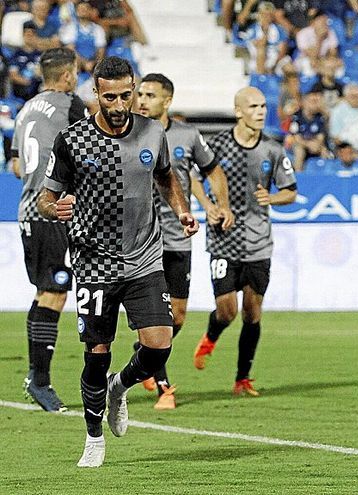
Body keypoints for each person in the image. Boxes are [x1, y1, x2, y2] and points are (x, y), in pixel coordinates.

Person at [37, 56, 198, 468]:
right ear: (97, 93)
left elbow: (166, 176)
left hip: (144, 257)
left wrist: (180, 210)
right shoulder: (73, 141)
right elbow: (46, 197)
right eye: (111, 97)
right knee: (98, 351)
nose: (121, 103)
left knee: (159, 344)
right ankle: (93, 439)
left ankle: (119, 387)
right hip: (94, 262)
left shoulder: (151, 132)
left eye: (127, 94)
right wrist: (56, 210)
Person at [135, 73, 235, 409]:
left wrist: (219, 203)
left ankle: (145, 356)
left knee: (177, 316)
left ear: (167, 101)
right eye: (140, 94)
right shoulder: (128, 133)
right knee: (158, 316)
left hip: (178, 236)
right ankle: (164, 388)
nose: (142, 100)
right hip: (139, 240)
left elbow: (212, 171)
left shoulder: (187, 135)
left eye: (150, 95)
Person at [192, 87, 297, 397]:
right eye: (254, 106)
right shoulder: (218, 145)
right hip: (224, 239)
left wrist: (273, 198)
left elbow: (291, 191)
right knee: (227, 311)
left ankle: (242, 378)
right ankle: (211, 336)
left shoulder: (273, 149)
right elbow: (194, 177)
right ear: (239, 111)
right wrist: (208, 207)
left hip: (259, 242)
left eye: (264, 106)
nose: (261, 111)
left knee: (252, 312)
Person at [12, 47, 88, 413]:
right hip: (50, 213)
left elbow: (15, 165)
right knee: (55, 291)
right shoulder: (69, 105)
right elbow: (90, 148)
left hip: (28, 211)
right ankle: (39, 380)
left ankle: (36, 377)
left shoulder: (26, 109)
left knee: (47, 292)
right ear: (69, 75)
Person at [284, 85, 329, 171]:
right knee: (299, 150)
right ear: (304, 102)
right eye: (311, 101)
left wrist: (316, 144)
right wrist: (309, 144)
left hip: (314, 145)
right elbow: (296, 137)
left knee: (324, 151)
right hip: (299, 145)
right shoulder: (296, 116)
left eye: (316, 102)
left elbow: (320, 137)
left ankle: (325, 176)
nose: (314, 104)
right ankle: (299, 175)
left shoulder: (319, 117)